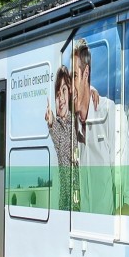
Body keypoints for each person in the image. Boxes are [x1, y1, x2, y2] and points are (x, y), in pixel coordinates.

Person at [71, 38, 129, 215]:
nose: (70, 87)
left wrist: (110, 226)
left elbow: (128, 198)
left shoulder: (111, 114)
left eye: (74, 76)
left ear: (86, 73)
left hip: (105, 227)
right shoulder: (70, 125)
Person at [45, 66, 76, 210]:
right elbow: (55, 130)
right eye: (57, 95)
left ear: (69, 91)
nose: (61, 98)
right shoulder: (59, 126)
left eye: (63, 90)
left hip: (79, 200)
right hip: (64, 203)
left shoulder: (77, 122)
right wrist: (51, 121)